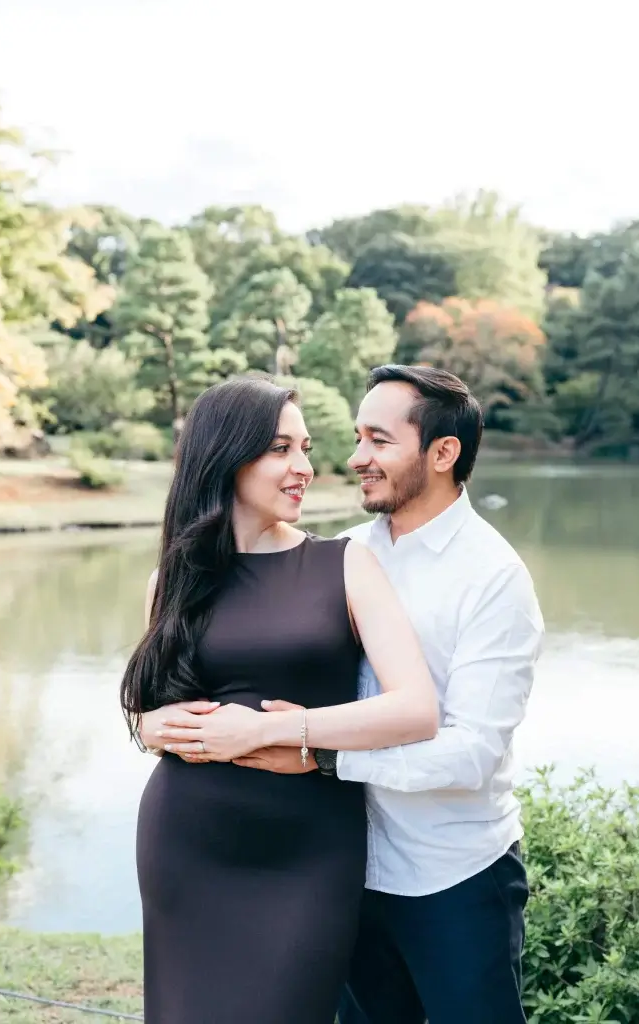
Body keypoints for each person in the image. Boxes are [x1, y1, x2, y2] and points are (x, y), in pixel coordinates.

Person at [144, 365, 545, 1024]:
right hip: (343, 866)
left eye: (378, 441)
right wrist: (154, 722)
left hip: (448, 872)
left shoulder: (492, 578)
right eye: (358, 437)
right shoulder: (345, 551)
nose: (355, 457)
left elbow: (470, 753)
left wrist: (320, 755)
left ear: (442, 453)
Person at [123, 376, 440, 1024]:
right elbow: (146, 707)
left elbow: (416, 710)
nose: (305, 467)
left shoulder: (345, 564)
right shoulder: (173, 578)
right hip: (188, 840)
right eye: (281, 449)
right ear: (227, 455)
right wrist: (149, 726)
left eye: (305, 448)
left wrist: (272, 732)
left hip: (309, 851)